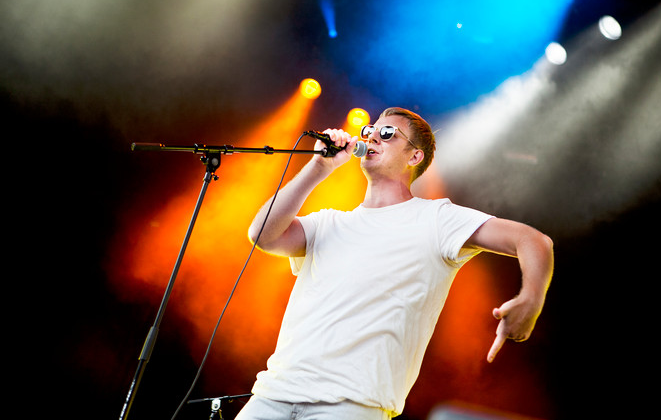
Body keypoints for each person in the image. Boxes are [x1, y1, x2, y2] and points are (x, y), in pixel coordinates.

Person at [236, 107, 554, 420]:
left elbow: (534, 240)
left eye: (387, 134)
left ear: (414, 157)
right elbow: (262, 235)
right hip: (273, 394)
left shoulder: (437, 219)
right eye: (369, 131)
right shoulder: (328, 224)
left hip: (352, 404)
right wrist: (319, 167)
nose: (373, 135)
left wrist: (531, 299)